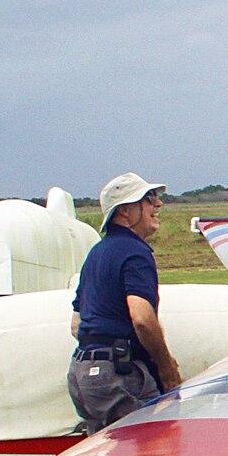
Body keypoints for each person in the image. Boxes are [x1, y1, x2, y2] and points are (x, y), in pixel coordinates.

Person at [68, 172, 184, 431]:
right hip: (117, 376)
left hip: (82, 373)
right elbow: (142, 319)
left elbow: (77, 325)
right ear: (125, 212)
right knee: (153, 445)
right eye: (148, 199)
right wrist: (166, 369)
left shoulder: (97, 253)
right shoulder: (135, 252)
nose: (158, 204)